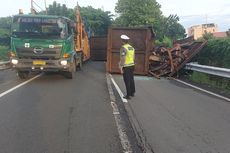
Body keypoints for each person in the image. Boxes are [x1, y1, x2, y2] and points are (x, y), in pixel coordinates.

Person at [119, 34, 136, 99]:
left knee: (127, 80)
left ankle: (128, 95)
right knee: (131, 79)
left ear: (122, 41)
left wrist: (121, 67)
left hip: (126, 66)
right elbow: (133, 57)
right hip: (132, 65)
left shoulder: (123, 48)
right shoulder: (131, 48)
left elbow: (123, 58)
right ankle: (132, 92)